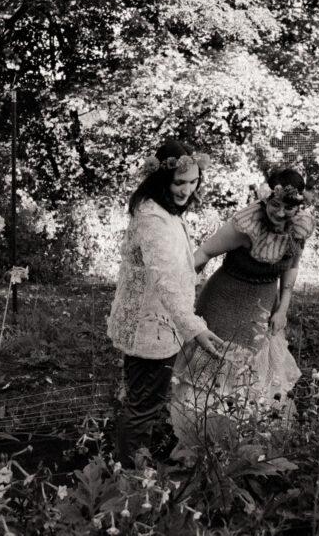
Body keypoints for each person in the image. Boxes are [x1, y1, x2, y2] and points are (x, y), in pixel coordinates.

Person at [169, 168, 316, 455]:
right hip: (225, 300)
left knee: (256, 367)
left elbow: (292, 266)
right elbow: (203, 254)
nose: (280, 212)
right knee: (216, 365)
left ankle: (248, 445)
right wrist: (179, 289)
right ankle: (201, 444)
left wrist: (282, 309)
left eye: (288, 207)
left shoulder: (299, 227)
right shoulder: (245, 225)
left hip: (262, 305)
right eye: (275, 204)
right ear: (265, 200)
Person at [107, 140, 227, 465]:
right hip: (148, 328)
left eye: (193, 182)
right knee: (143, 404)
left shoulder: (165, 212)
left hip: (161, 324)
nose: (187, 190)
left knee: (146, 399)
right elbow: (164, 280)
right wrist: (194, 327)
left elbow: (176, 269)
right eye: (179, 182)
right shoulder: (152, 219)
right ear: (161, 179)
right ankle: (131, 480)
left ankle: (134, 464)